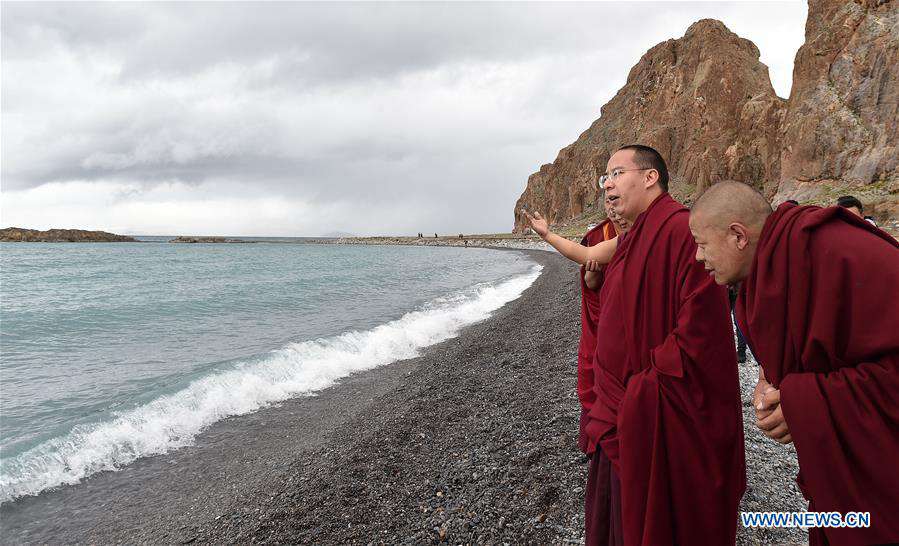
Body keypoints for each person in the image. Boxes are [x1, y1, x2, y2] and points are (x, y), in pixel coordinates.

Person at [524, 145, 744, 546]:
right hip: (619, 410)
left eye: (616, 172)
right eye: (604, 177)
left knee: (656, 520)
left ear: (649, 178)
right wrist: (592, 285)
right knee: (616, 518)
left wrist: (642, 391)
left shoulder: (681, 230)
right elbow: (612, 298)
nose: (607, 183)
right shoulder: (629, 239)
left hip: (651, 407)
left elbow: (702, 335)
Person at [689, 181, 899, 545]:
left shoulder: (840, 253)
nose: (696, 256)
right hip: (838, 480)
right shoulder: (765, 274)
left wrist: (802, 405)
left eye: (702, 244)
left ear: (739, 236)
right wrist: (767, 378)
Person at [576, 197, 629, 541]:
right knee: (595, 380)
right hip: (600, 331)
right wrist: (592, 285)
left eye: (617, 198)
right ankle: (598, 443)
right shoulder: (597, 236)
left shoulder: (645, 235)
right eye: (608, 201)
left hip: (625, 341)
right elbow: (589, 278)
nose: (612, 205)